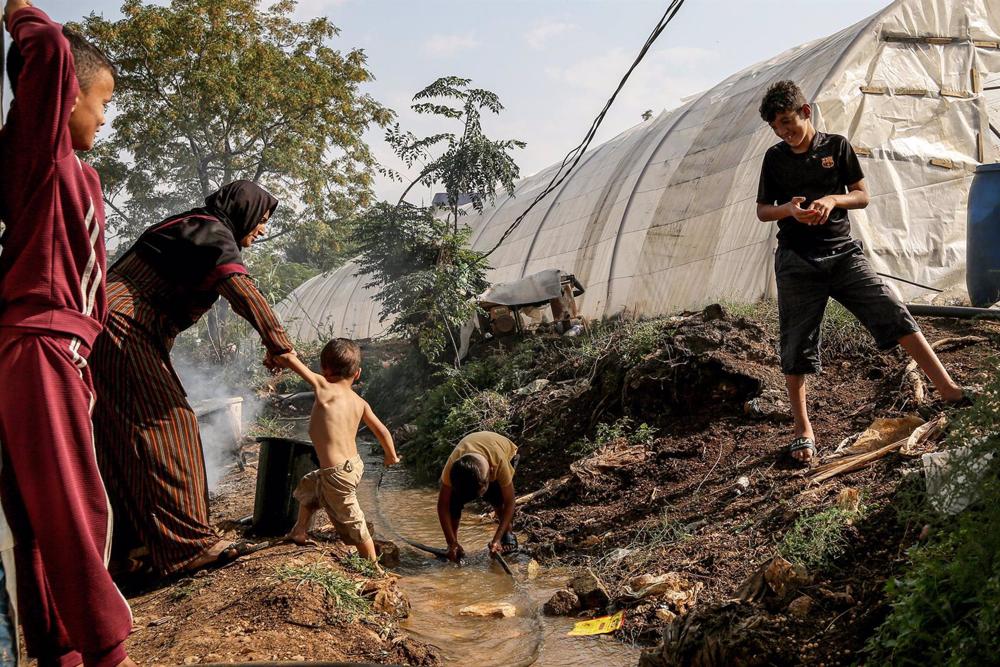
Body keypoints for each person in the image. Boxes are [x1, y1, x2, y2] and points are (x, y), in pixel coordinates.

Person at [0, 2, 136, 665]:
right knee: (76, 507)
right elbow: (52, 46)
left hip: (52, 350)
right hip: (40, 346)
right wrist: (21, 11)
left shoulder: (67, 169)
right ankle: (110, 654)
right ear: (65, 93)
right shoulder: (39, 152)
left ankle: (61, 652)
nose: (105, 118)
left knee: (38, 513)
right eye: (102, 101)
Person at [755, 80, 969, 465]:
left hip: (842, 254)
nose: (784, 132)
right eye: (777, 128)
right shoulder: (774, 158)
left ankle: (949, 390)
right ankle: (803, 429)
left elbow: (862, 195)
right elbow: (762, 210)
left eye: (788, 122)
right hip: (797, 262)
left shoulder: (836, 147)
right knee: (795, 342)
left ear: (805, 112)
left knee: (890, 309)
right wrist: (789, 209)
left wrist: (833, 199)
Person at [90, 180, 297, 575]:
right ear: (245, 211)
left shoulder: (192, 226)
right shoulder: (211, 232)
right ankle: (187, 546)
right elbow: (243, 292)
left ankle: (133, 548)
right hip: (121, 328)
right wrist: (279, 345)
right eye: (263, 219)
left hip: (113, 328)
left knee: (120, 439)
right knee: (172, 424)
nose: (264, 229)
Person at [279, 339, 400, 562]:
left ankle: (373, 567)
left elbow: (288, 360)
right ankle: (299, 530)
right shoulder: (360, 402)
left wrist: (280, 353)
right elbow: (382, 430)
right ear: (358, 373)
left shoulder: (324, 387)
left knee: (354, 521)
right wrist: (391, 455)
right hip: (350, 466)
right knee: (310, 486)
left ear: (324, 369)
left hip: (337, 473)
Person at [436, 431, 519, 563]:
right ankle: (454, 544)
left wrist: (497, 539)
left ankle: (507, 533)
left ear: (491, 474)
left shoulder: (500, 464)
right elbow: (443, 505)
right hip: (472, 460)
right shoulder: (453, 466)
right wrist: (451, 542)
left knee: (498, 500)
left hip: (504, 450)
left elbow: (510, 502)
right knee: (454, 503)